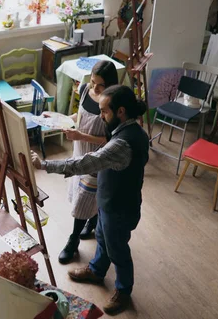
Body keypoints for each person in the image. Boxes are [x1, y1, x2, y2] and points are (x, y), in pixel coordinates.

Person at [31, 85, 149, 315]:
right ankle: (96, 270)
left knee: (118, 251)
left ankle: (123, 291)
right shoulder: (131, 130)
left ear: (121, 111)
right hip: (110, 201)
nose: (101, 116)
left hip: (120, 208)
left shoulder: (122, 144)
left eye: (104, 112)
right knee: (103, 238)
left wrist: (45, 164)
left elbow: (86, 162)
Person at [55, 60, 120, 264]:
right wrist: (63, 119)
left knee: (85, 198)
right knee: (85, 194)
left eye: (100, 85)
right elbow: (81, 115)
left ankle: (72, 242)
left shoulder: (113, 102)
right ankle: (91, 222)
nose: (95, 88)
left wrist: (81, 136)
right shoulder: (84, 90)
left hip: (98, 158)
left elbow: (112, 140)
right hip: (79, 152)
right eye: (93, 82)